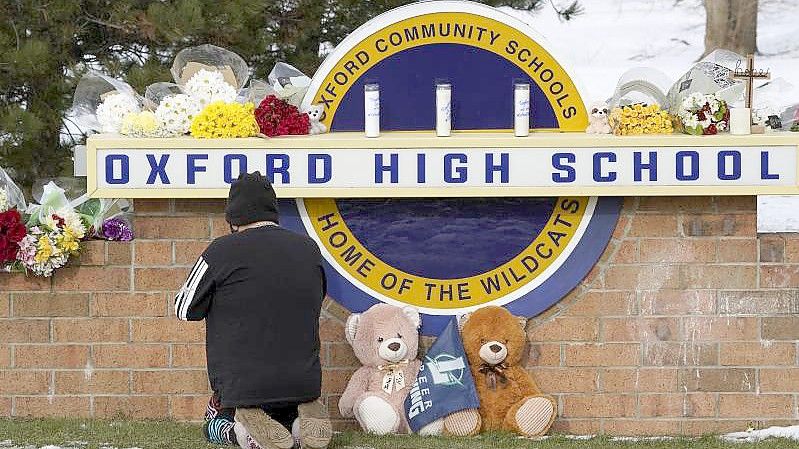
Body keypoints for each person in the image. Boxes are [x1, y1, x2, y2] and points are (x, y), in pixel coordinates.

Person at [174, 171, 331, 449]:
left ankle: (242, 430)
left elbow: (184, 308)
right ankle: (299, 425)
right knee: (288, 413)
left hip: (243, 385)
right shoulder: (309, 249)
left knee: (213, 424)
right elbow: (317, 298)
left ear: (232, 218)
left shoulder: (220, 251)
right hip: (302, 384)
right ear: (273, 211)